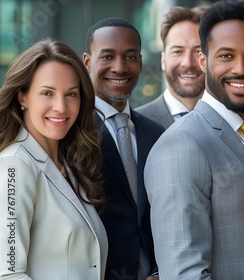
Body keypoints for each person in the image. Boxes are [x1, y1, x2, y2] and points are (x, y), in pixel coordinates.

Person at [144, 0, 244, 279]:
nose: (241, 68)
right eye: (226, 56)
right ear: (203, 61)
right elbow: (185, 274)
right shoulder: (181, 144)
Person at [0, 39, 107, 278]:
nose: (61, 107)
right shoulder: (14, 166)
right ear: (22, 97)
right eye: (47, 93)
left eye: (71, 94)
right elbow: (7, 274)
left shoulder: (69, 165)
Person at [83, 17, 163, 280]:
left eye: (129, 57)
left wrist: (160, 271)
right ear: (87, 62)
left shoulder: (156, 134)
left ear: (140, 63)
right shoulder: (71, 133)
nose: (119, 67)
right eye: (107, 56)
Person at [136, 6, 205, 129]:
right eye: (178, 51)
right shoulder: (135, 125)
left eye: (198, 51)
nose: (188, 63)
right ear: (163, 60)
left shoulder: (228, 120)